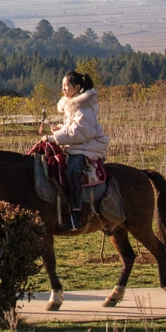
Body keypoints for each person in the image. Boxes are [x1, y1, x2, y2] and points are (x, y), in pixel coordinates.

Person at [41, 71, 108, 230]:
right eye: (62, 85)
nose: (63, 89)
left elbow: (79, 132)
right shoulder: (73, 106)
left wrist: (53, 137)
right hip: (78, 145)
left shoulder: (83, 109)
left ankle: (76, 214)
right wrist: (61, 129)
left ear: (77, 87)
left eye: (66, 85)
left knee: (72, 171)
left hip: (88, 148)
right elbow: (72, 129)